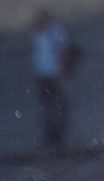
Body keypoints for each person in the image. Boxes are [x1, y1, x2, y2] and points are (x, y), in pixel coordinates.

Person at [29, 9, 76, 150]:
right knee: (47, 107)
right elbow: (28, 44)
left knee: (59, 106)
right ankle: (50, 137)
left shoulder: (56, 32)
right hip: (42, 75)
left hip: (54, 75)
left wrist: (60, 75)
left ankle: (59, 137)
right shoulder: (37, 34)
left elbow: (62, 53)